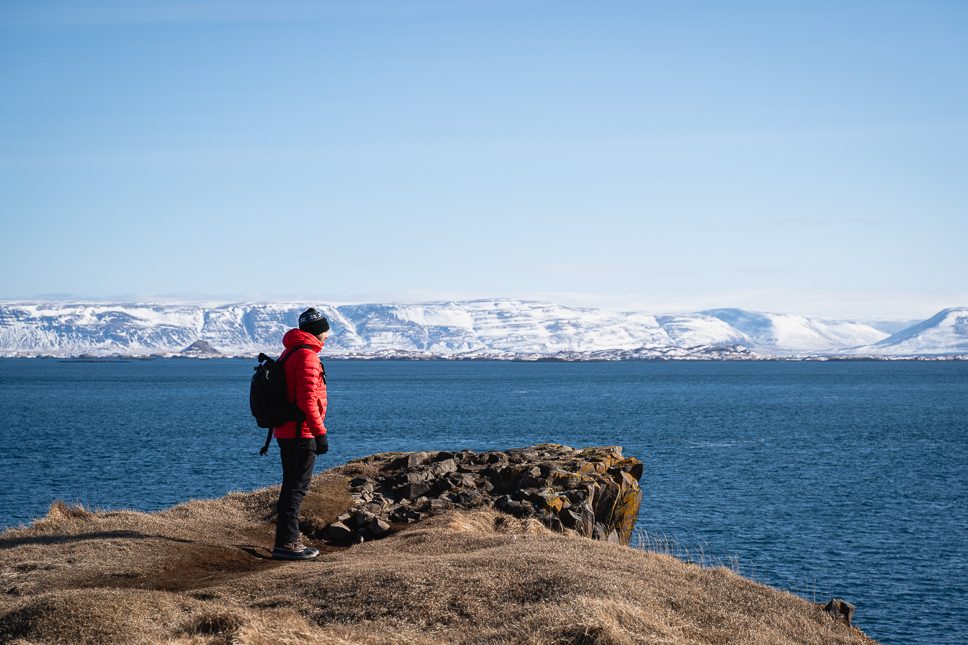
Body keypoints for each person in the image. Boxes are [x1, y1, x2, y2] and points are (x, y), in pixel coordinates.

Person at [271, 307, 331, 560]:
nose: (328, 335)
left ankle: (287, 540)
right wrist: (320, 433)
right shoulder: (308, 356)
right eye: (325, 331)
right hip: (300, 433)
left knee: (291, 485)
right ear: (317, 332)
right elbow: (308, 401)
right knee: (296, 488)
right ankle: (287, 543)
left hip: (287, 431)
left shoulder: (291, 351)